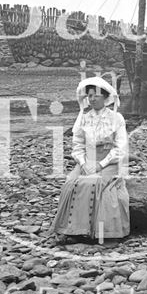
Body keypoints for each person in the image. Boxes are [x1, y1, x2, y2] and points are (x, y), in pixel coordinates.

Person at [52, 76, 130, 243]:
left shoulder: (116, 118)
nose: (92, 99)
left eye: (96, 95)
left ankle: (89, 231)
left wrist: (100, 164)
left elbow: (120, 148)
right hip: (87, 161)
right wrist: (83, 162)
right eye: (90, 96)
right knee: (71, 183)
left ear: (105, 97)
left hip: (110, 162)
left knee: (91, 183)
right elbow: (78, 144)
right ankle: (71, 229)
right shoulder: (84, 118)